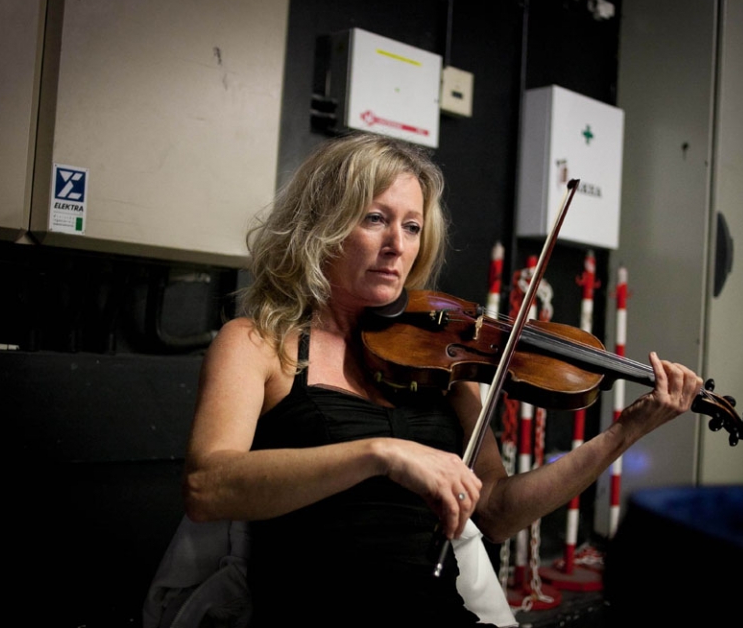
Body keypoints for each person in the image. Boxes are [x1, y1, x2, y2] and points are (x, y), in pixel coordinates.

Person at [183, 133, 703, 626]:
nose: (397, 245)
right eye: (374, 219)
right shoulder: (258, 343)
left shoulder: (444, 361)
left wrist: (622, 435)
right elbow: (208, 488)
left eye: (411, 226)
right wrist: (381, 453)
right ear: (322, 227)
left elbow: (496, 512)